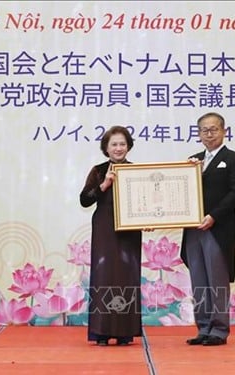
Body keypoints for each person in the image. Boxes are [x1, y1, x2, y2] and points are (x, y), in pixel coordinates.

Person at [181, 112, 235, 346]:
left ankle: (219, 330)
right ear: (198, 134)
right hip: (193, 230)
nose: (209, 134)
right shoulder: (193, 161)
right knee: (199, 281)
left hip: (217, 229)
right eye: (204, 130)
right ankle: (204, 328)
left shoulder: (233, 159)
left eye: (214, 129)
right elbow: (180, 193)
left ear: (223, 131)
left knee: (217, 281)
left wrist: (213, 216)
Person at [80, 126, 142, 346]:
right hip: (105, 229)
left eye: (122, 144)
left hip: (130, 232)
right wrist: (104, 185)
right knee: (104, 277)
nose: (118, 148)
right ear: (106, 148)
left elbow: (147, 203)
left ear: (129, 146)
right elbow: (85, 200)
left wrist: (150, 220)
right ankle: (101, 332)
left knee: (127, 277)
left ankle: (126, 332)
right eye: (114, 144)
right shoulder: (98, 170)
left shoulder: (137, 171)